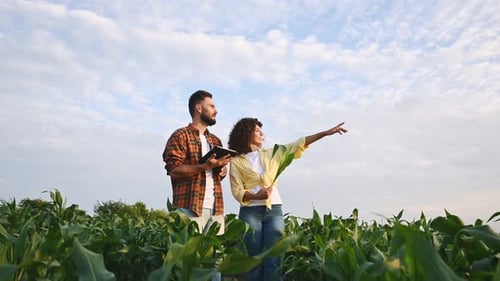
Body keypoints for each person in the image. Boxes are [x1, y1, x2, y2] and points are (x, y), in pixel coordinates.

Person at [228, 118, 347, 281]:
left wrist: (325, 133)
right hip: (251, 212)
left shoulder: (274, 153)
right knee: (253, 259)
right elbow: (237, 190)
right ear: (246, 133)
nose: (261, 133)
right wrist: (256, 196)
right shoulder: (235, 161)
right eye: (257, 130)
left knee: (275, 257)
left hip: (274, 210)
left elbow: (299, 143)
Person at [162, 90, 232, 281]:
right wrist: (203, 166)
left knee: (215, 263)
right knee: (188, 264)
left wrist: (221, 170)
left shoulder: (215, 141)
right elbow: (174, 169)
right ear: (198, 108)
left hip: (216, 208)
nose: (215, 110)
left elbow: (214, 173)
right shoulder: (180, 136)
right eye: (212, 106)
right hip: (190, 207)